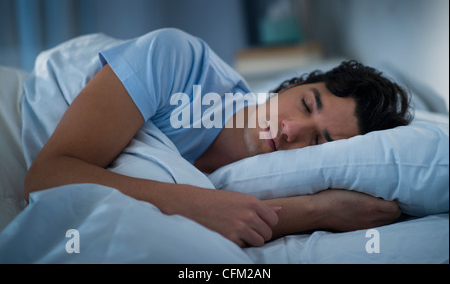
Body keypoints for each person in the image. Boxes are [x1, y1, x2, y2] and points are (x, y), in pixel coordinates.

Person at [23, 28, 411, 248]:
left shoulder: (280, 183)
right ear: (294, 84)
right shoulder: (178, 62)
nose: (292, 130)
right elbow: (46, 177)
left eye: (320, 142)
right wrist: (194, 204)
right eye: (307, 105)